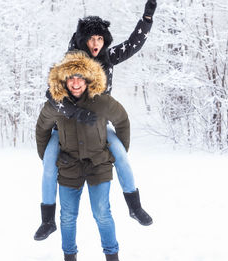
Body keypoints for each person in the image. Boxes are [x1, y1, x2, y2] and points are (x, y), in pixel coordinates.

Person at [34, 0, 157, 241]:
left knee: (121, 155)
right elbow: (51, 94)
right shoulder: (72, 60)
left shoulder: (108, 57)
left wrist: (147, 19)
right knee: (49, 163)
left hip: (97, 126)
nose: (95, 44)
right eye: (91, 39)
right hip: (67, 127)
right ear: (83, 40)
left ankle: (134, 206)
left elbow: (134, 44)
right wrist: (70, 112)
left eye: (100, 39)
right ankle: (47, 221)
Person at [36, 50, 128, 261]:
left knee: (102, 213)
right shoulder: (55, 105)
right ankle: (69, 260)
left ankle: (113, 259)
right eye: (71, 79)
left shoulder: (102, 101)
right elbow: (42, 128)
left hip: (99, 165)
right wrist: (47, 157)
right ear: (65, 81)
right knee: (67, 217)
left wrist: (119, 151)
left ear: (87, 79)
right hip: (69, 166)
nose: (76, 83)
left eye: (80, 78)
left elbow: (122, 121)